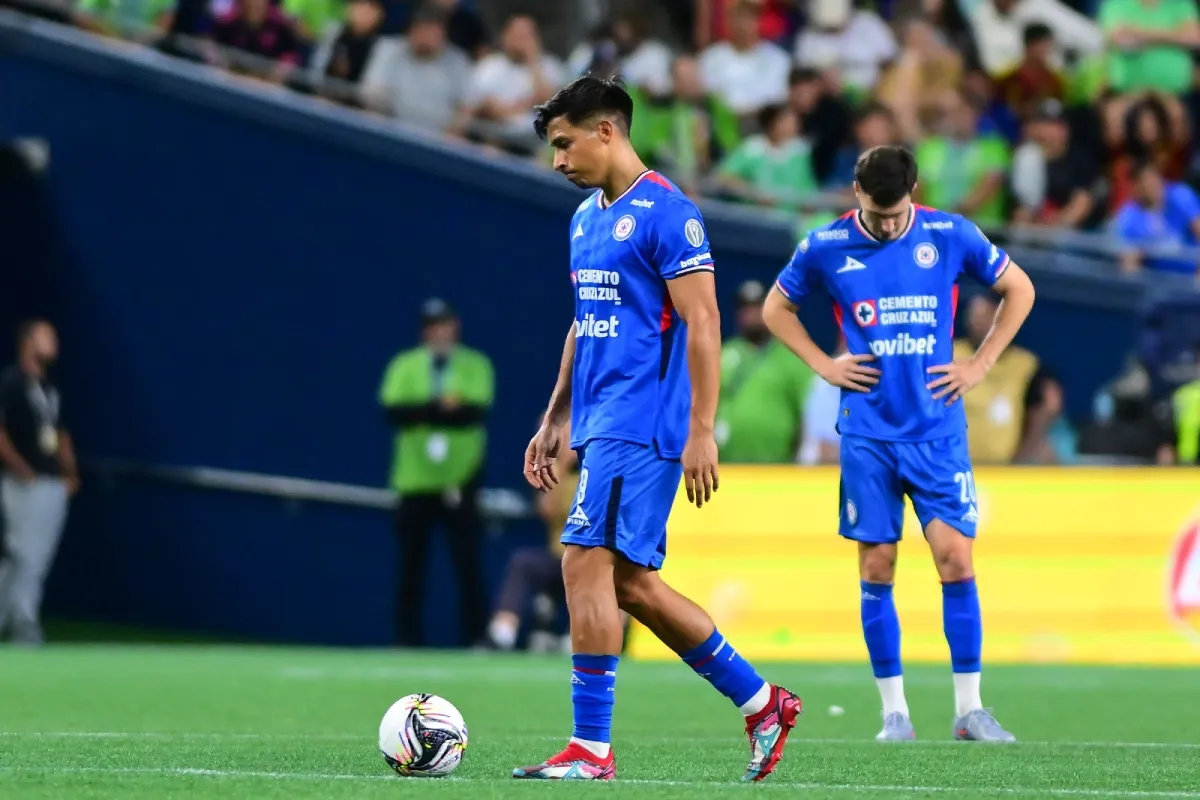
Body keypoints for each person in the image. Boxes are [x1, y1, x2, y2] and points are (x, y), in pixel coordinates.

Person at [517, 75, 800, 782]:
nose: (557, 160)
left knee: (582, 561)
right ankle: (763, 703)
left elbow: (704, 322)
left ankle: (590, 750)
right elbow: (586, 322)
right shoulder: (585, 219)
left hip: (645, 424)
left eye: (564, 143)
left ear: (606, 130)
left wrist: (703, 428)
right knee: (634, 584)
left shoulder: (671, 214)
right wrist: (556, 415)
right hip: (602, 420)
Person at [762, 145, 1036, 742]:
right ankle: (895, 714)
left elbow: (1021, 289)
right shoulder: (826, 246)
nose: (888, 225)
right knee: (878, 564)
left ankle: (970, 710)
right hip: (867, 434)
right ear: (856, 192)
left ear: (915, 190)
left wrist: (981, 363)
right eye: (878, 213)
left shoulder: (951, 233)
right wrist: (824, 365)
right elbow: (775, 308)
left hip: (936, 430)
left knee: (955, 558)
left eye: (897, 213)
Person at [379, 299, 494, 647]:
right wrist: (437, 409)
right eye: (432, 325)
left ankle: (476, 639)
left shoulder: (476, 364)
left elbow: (474, 411)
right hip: (414, 481)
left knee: (468, 563)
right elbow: (393, 411)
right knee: (410, 566)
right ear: (423, 331)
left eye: (445, 323)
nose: (439, 331)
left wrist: (423, 412)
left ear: (455, 326)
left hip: (461, 478)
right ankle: (406, 640)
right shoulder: (404, 365)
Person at [0, 320, 79, 645]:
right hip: (24, 484)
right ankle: (23, 621)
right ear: (27, 342)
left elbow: (60, 434)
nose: (54, 342)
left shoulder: (48, 388)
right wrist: (21, 468)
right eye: (47, 336)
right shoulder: (12, 382)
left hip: (51, 483)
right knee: (22, 554)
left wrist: (70, 474)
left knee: (37, 556)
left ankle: (16, 618)